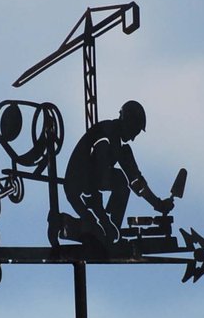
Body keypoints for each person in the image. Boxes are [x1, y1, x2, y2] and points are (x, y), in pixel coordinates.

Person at [62, 100, 173, 244]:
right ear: (127, 122)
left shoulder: (119, 146)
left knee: (121, 182)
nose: (133, 138)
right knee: (119, 181)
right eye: (134, 131)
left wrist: (158, 204)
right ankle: (97, 230)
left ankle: (108, 231)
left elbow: (136, 181)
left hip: (90, 187)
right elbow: (93, 184)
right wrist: (104, 221)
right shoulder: (105, 135)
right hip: (77, 187)